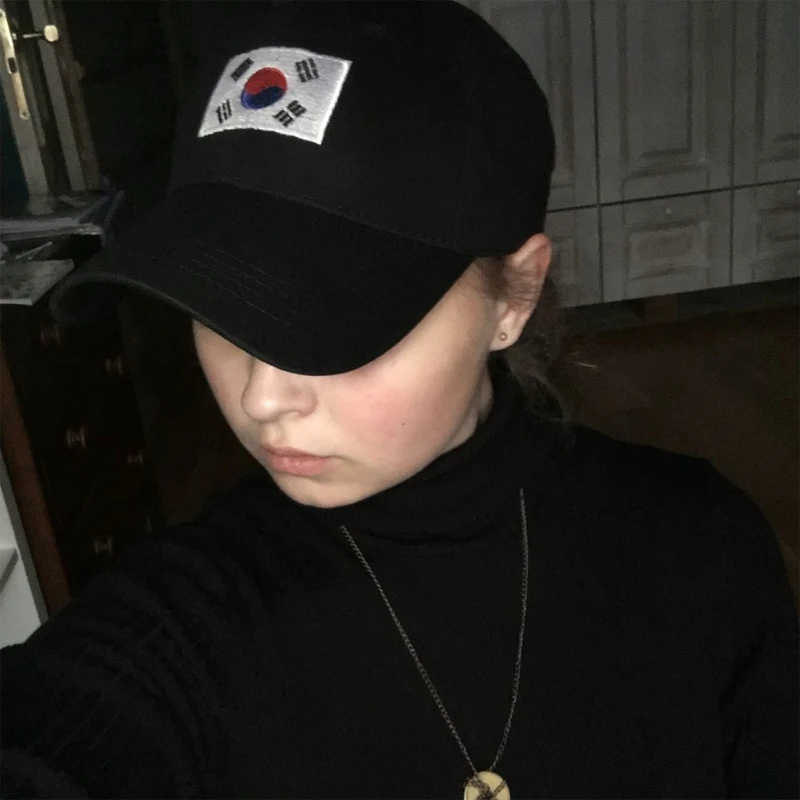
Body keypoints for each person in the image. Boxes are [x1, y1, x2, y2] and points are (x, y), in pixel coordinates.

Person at [1, 3, 797, 799]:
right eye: (217, 309)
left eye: (336, 325)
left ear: (515, 294)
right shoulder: (186, 615)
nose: (261, 396)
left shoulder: (703, 552)